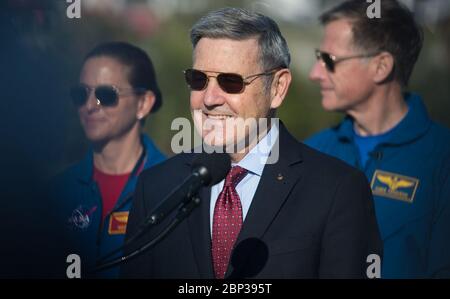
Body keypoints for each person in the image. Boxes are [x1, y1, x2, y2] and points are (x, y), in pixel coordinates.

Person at [121, 7, 382, 279]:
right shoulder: (156, 188)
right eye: (198, 80)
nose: (209, 98)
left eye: (230, 82)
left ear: (278, 88)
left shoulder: (337, 191)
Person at [305, 0, 450, 278]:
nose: (315, 73)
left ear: (381, 66)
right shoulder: (312, 151)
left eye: (328, 60)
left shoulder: (442, 157)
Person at [50, 41, 166, 278]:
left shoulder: (174, 189)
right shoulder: (55, 192)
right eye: (81, 94)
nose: (90, 106)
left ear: (143, 103)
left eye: (106, 95)